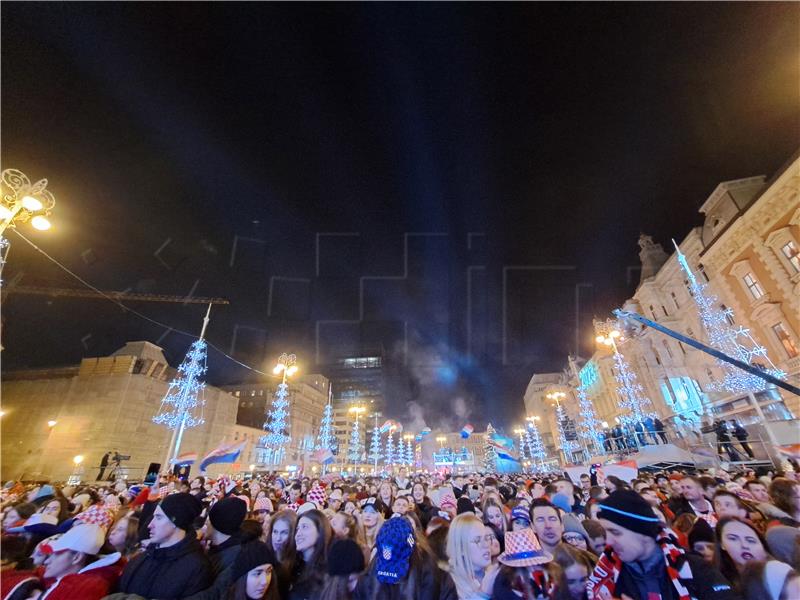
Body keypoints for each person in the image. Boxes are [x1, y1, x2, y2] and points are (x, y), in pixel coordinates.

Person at [588, 489, 738, 599]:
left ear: (643, 531)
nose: (608, 541)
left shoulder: (695, 568)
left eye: (616, 532)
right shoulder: (610, 575)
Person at [115, 492, 212, 598]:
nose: (150, 525)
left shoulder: (197, 569)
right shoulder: (143, 556)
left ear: (176, 521)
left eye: (159, 517)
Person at [16, 523, 123, 600]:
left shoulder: (87, 587)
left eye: (55, 555)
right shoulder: (53, 577)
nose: (46, 561)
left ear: (76, 557)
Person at [446, 513, 499, 599]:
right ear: (461, 548)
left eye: (486, 538)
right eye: (477, 540)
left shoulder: (491, 574)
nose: (486, 545)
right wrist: (483, 594)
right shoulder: (450, 585)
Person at [492, 527, 555, 599]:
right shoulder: (504, 583)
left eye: (537, 563)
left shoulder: (551, 576)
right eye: (525, 566)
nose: (532, 568)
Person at [714, 516, 772, 588]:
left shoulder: (779, 575)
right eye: (733, 539)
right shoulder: (719, 582)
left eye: (750, 540)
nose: (744, 545)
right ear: (721, 544)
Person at [288, 509, 331, 600]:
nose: (298, 534)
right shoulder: (292, 565)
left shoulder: (328, 571)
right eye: (297, 529)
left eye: (305, 527)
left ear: (320, 532)